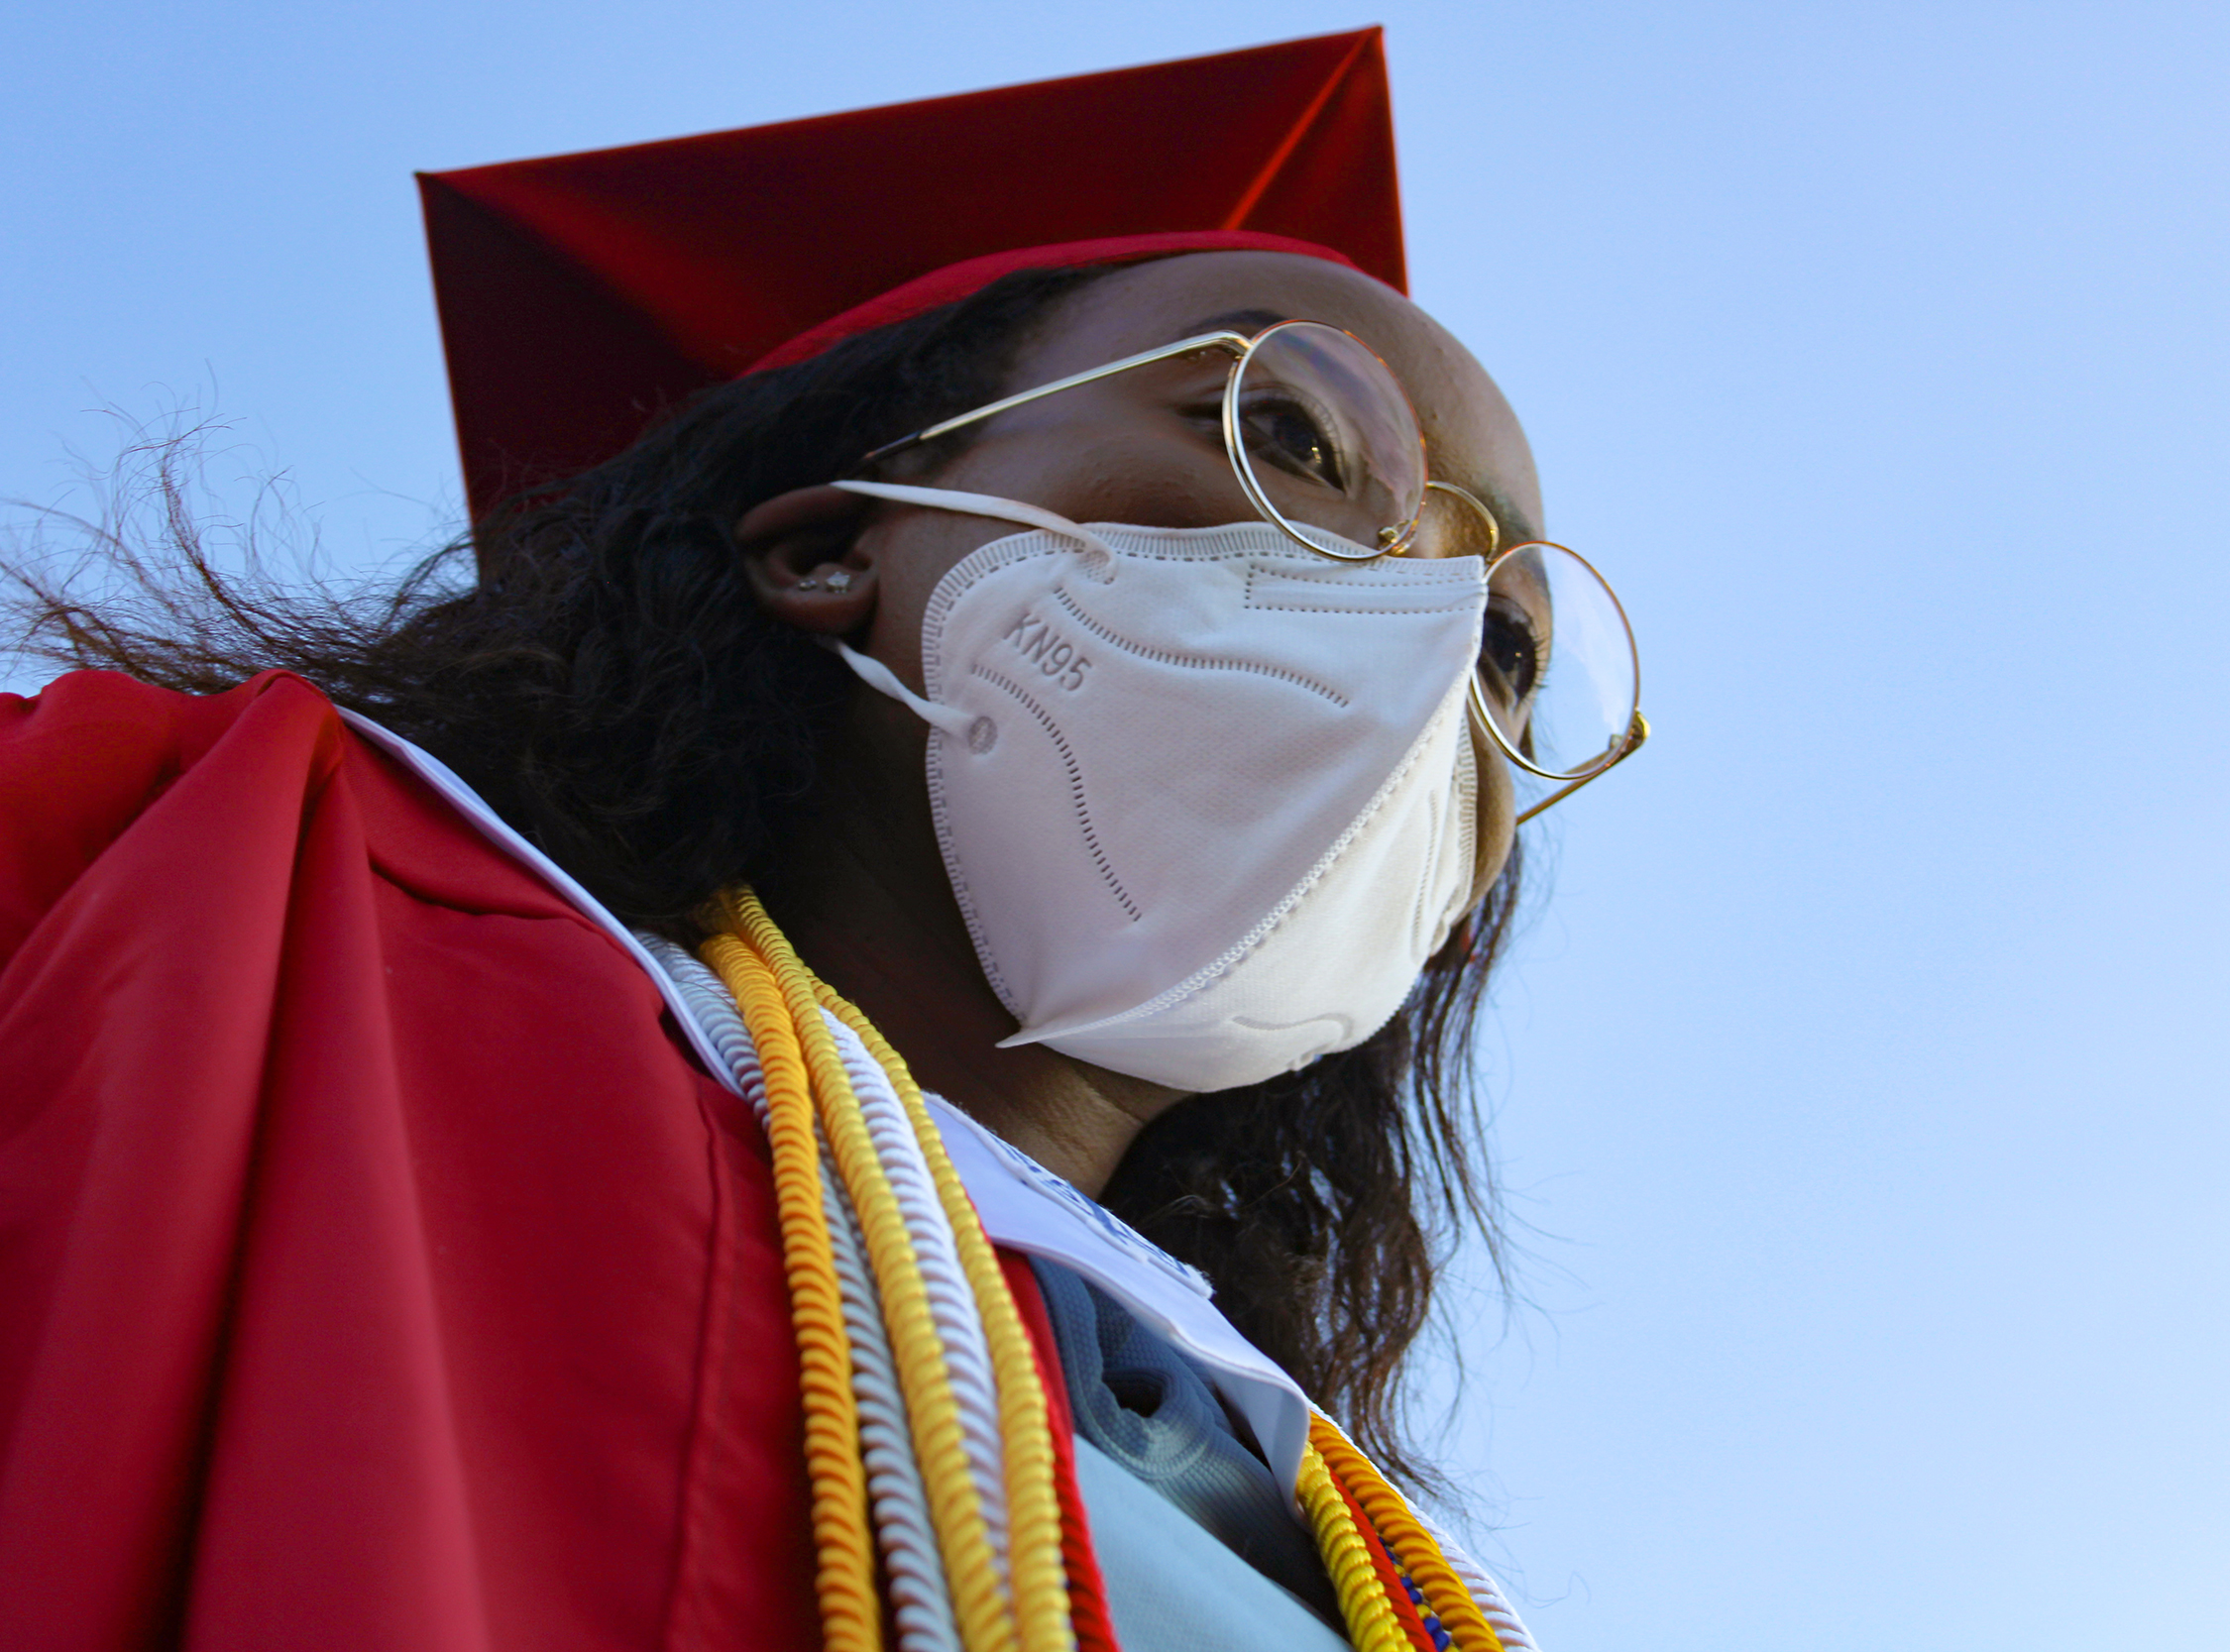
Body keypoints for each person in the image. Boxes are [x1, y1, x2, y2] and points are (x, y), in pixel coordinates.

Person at [0, 30, 1639, 1652]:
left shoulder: (1354, 1536)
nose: (1417, 624)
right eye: (1290, 440)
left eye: (1505, 646)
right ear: (827, 545)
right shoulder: (227, 888)